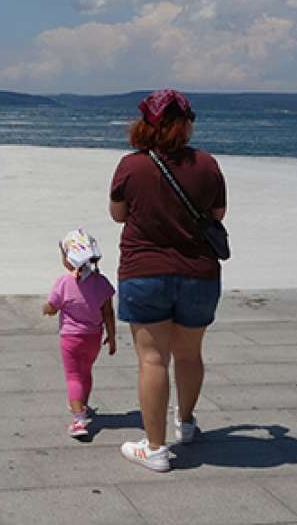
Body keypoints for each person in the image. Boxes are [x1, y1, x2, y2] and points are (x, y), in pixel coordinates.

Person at [109, 89, 227, 472]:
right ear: (187, 123)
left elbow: (118, 214)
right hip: (198, 272)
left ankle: (155, 448)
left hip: (144, 270)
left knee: (152, 358)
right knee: (190, 354)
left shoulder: (132, 166)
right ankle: (186, 423)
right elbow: (218, 211)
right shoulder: (207, 164)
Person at [43, 228, 117, 438]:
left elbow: (52, 307)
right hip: (93, 337)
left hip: (71, 338)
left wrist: (45, 309)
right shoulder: (102, 283)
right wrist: (111, 337)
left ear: (68, 260)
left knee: (73, 377)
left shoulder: (64, 283)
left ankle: (78, 420)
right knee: (86, 372)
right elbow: (108, 312)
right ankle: (81, 404)